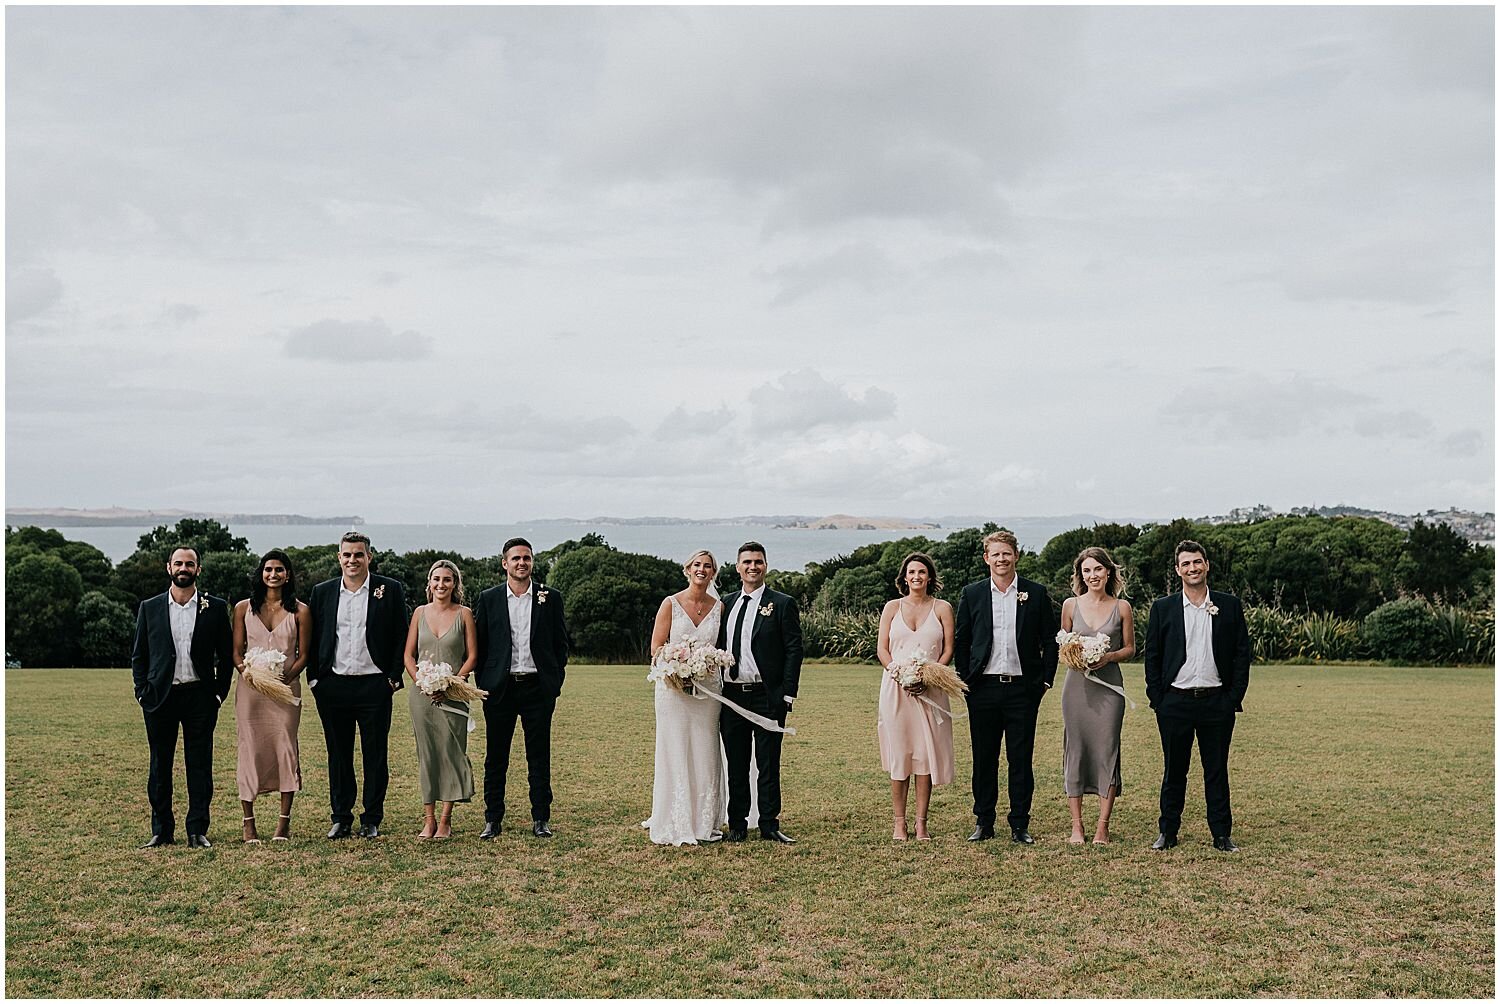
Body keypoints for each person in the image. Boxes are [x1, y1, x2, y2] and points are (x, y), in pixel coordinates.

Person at [1144, 540, 1251, 852]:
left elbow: (1240, 655)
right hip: (1174, 702)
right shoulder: (1163, 608)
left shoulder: (1228, 605)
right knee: (1174, 770)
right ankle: (1168, 832)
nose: (1192, 568)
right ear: (1178, 570)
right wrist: (1158, 699)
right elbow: (1153, 656)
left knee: (1216, 770)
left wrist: (1232, 698)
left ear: (1207, 565)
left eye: (1197, 562)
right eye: (1186, 564)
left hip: (1217, 701)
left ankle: (1221, 834)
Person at [953, 529, 1058, 844]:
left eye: (1007, 553)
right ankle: (984, 822)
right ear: (987, 558)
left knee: (1021, 759)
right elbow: (962, 640)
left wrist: (1045, 679)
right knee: (984, 758)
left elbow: (1050, 641)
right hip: (982, 688)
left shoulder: (1035, 593)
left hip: (1022, 690)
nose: (1001, 558)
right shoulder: (972, 593)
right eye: (995, 554)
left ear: (1016, 556)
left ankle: (1019, 824)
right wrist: (964, 678)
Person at [307, 531, 408, 839]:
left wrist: (391, 679)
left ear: (369, 557)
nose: (353, 560)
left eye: (358, 554)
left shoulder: (388, 589)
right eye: (347, 554)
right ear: (339, 557)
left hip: (374, 686)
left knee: (375, 754)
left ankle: (371, 818)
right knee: (338, 755)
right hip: (333, 685)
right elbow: (314, 637)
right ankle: (341, 816)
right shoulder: (322, 592)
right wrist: (316, 679)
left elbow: (400, 636)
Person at [130, 546, 234, 848]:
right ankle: (162, 830)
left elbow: (226, 656)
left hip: (200, 697)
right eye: (179, 563)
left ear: (198, 569)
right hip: (160, 697)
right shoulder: (150, 607)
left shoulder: (213, 607)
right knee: (160, 764)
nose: (184, 568)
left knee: (199, 764)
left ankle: (197, 829)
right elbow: (140, 655)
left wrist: (218, 694)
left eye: (190, 564)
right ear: (169, 567)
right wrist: (142, 692)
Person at [474, 538, 570, 839]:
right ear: (505, 563)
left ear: (532, 562)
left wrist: (553, 682)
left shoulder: (549, 597)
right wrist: (485, 683)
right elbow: (481, 644)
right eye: (515, 558)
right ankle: (493, 818)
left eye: (526, 558)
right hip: (500, 689)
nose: (521, 563)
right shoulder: (489, 598)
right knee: (496, 756)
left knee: (539, 755)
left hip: (537, 689)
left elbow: (560, 644)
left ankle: (541, 817)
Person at [717, 541, 803, 844]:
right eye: (747, 562)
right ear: (738, 567)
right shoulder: (725, 603)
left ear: (765, 565)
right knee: (736, 764)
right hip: (731, 696)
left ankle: (769, 823)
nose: (753, 567)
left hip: (767, 696)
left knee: (768, 763)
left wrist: (787, 694)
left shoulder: (781, 603)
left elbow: (794, 650)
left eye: (758, 562)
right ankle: (737, 824)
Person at [642, 550, 727, 845]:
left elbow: (721, 650)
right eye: (697, 565)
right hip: (673, 691)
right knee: (675, 748)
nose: (702, 570)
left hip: (708, 692)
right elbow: (656, 648)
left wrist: (704, 664)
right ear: (687, 570)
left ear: (713, 573)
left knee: (705, 750)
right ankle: (675, 816)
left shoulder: (719, 607)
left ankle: (704, 820)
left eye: (708, 566)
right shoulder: (671, 604)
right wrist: (677, 666)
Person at [231, 549, 311, 843]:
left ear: (287, 575)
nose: (273, 575)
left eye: (279, 570)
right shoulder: (242, 608)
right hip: (250, 691)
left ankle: (283, 823)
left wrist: (284, 681)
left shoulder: (301, 611)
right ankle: (248, 822)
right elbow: (236, 652)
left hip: (285, 692)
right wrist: (249, 673)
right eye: (268, 570)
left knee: (285, 746)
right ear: (261, 574)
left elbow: (304, 655)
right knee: (249, 748)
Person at [876, 551, 956, 842]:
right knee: (901, 755)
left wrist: (930, 674)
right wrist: (899, 673)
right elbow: (882, 649)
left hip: (931, 689)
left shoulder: (943, 608)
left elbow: (948, 648)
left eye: (922, 572)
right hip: (896, 689)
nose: (917, 577)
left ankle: (921, 823)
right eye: (911, 572)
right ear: (904, 577)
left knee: (925, 755)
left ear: (930, 577)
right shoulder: (891, 608)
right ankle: (900, 822)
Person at [1059, 546, 1135, 845]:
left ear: (1108, 572)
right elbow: (1062, 647)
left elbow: (1130, 648)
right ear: (1081, 575)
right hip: (1076, 688)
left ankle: (1102, 826)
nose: (1093, 575)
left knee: (1107, 750)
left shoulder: (1122, 608)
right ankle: (1077, 827)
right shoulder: (1070, 606)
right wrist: (1077, 657)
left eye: (1098, 569)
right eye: (1087, 570)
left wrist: (1109, 656)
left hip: (1109, 688)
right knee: (1075, 750)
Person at [402, 559, 478, 839]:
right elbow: (409, 656)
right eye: (436, 579)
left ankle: (446, 820)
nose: (441, 584)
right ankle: (429, 819)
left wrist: (452, 683)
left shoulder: (465, 614)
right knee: (428, 755)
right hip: (421, 696)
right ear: (429, 583)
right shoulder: (419, 613)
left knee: (451, 752)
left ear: (455, 584)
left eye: (447, 579)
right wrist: (421, 681)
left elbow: (472, 656)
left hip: (454, 694)